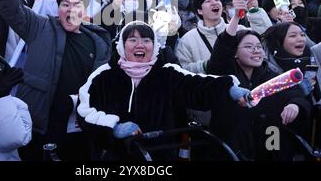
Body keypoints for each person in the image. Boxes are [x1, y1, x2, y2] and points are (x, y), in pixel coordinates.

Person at [77, 21, 251, 160]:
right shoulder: (104, 75)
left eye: (146, 40)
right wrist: (113, 127)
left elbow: (197, 85)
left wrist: (228, 89)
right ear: (122, 45)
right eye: (133, 40)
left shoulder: (167, 72)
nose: (140, 45)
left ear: (154, 45)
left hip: (161, 154)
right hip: (116, 155)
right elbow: (84, 111)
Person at [0, 0, 111, 160]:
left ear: (84, 11)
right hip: (41, 122)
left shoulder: (99, 40)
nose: (70, 9)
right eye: (65, 4)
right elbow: (11, 9)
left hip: (82, 126)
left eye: (76, 5)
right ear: (58, 9)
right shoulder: (40, 27)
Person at [206, 11, 311, 160]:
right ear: (234, 52)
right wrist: (236, 17)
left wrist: (294, 105)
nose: (256, 50)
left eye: (258, 46)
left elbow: (295, 94)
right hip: (233, 145)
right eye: (249, 47)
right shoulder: (224, 76)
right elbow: (220, 55)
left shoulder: (270, 76)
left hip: (270, 137)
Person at [263, 14, 321, 160]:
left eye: (302, 34)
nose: (300, 39)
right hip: (286, 136)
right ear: (279, 41)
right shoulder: (268, 68)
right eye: (293, 36)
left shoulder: (312, 56)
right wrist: (299, 94)